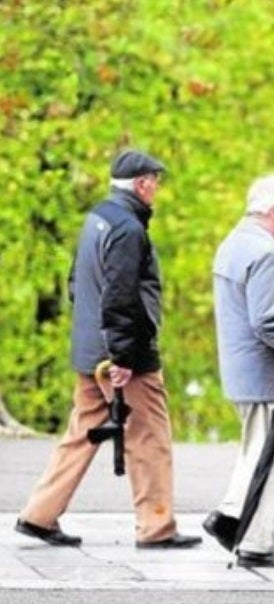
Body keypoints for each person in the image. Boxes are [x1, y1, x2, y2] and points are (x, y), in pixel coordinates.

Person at [15, 149, 202, 549]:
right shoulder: (129, 230)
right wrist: (123, 356)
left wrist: (96, 341)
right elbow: (121, 296)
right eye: (155, 181)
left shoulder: (97, 217)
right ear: (141, 184)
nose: (157, 188)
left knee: (81, 433)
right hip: (123, 357)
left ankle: (39, 514)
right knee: (149, 436)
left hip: (90, 349)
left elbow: (75, 283)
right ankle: (156, 527)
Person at [203, 174, 274, 568]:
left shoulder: (233, 243)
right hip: (265, 375)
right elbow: (269, 319)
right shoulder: (265, 253)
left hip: (243, 372)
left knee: (256, 448)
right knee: (273, 454)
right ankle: (252, 537)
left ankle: (234, 518)